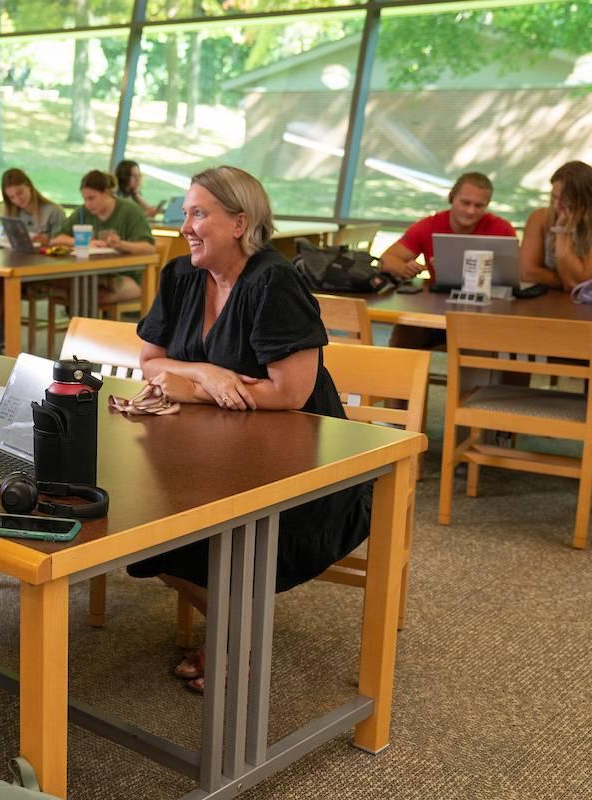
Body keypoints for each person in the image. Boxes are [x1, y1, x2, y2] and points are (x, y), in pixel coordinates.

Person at [127, 166, 371, 692]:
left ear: (239, 223)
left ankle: (236, 637)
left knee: (203, 538)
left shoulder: (273, 281)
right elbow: (150, 363)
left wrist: (186, 384)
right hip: (212, 457)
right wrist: (203, 374)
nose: (186, 226)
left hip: (305, 470)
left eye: (200, 214)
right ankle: (240, 628)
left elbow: (290, 393)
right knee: (145, 534)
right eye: (186, 213)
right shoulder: (181, 276)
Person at [379, 171, 516, 348]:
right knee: (404, 333)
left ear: (487, 205)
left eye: (479, 206)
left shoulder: (502, 229)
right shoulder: (428, 225)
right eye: (465, 203)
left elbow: (513, 276)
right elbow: (387, 259)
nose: (470, 211)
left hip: (483, 313)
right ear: (452, 198)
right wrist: (404, 268)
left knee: (492, 345)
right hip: (433, 312)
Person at [0, 169, 67, 351]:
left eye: (20, 193)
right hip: (20, 266)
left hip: (46, 269)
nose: (18, 200)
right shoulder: (13, 213)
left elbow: (64, 246)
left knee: (2, 279)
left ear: (30, 186)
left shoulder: (53, 212)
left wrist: (47, 241)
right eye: (12, 197)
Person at [519, 160, 592, 292]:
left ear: (586, 200)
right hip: (549, 300)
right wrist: (567, 282)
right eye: (554, 197)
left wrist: (563, 233)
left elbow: (582, 282)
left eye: (565, 200)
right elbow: (528, 272)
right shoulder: (540, 218)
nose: (557, 205)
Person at [52, 170, 156, 304]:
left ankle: (89, 320)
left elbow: (149, 248)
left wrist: (122, 245)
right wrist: (86, 242)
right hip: (92, 274)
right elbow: (57, 239)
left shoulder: (131, 211)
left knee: (90, 295)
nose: (88, 204)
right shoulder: (83, 212)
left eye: (91, 198)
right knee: (74, 290)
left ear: (106, 193)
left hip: (130, 277)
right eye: (84, 199)